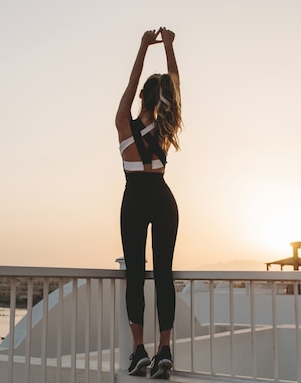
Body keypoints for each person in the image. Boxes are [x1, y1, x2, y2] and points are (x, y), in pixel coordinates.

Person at [115, 27, 182, 379]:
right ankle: (164, 350)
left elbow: (132, 80)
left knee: (136, 276)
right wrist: (169, 47)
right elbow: (175, 85)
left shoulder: (123, 124)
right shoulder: (166, 126)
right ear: (164, 98)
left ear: (141, 95)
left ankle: (139, 350)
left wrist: (143, 47)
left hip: (134, 198)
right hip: (163, 197)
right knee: (164, 275)